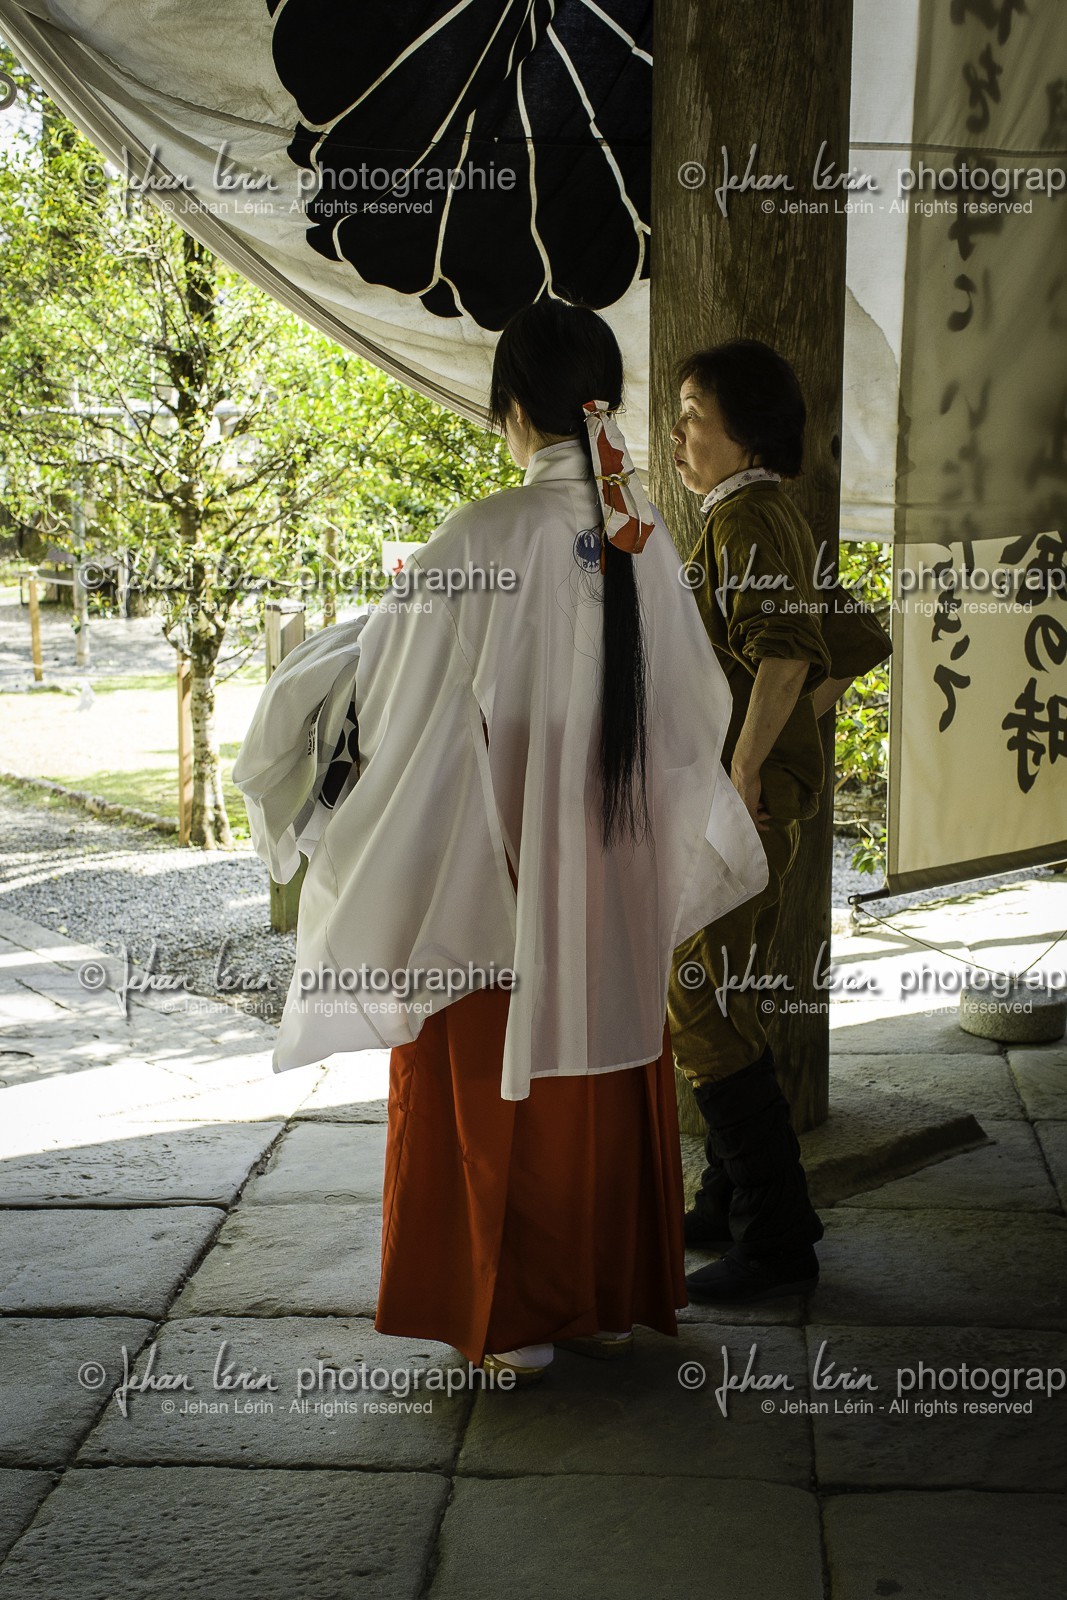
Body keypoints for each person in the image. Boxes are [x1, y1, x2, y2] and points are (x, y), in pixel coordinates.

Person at [234, 300, 769, 1382]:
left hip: (501, 861)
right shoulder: (641, 532)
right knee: (604, 1073)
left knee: (489, 1080)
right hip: (609, 859)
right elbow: (690, 708)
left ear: (512, 406)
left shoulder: (484, 533)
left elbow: (393, 699)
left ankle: (509, 1316)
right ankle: (603, 1297)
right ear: (601, 400)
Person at [667, 337, 892, 1306]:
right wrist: (781, 742)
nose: (677, 435)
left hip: (738, 803)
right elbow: (855, 637)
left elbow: (788, 652)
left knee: (696, 999)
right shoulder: (754, 515)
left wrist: (749, 766)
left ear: (741, 432)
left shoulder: (748, 517)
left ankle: (775, 1231)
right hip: (746, 796)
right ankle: (729, 1198)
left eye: (690, 416)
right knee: (714, 989)